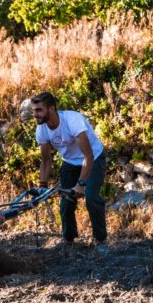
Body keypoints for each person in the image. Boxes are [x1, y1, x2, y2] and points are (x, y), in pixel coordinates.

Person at [30, 91, 109, 254]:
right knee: (66, 202)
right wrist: (42, 185)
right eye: (34, 110)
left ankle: (100, 240)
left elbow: (88, 155)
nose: (35, 115)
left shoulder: (72, 121)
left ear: (51, 109)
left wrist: (81, 184)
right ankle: (69, 240)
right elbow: (46, 160)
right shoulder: (42, 129)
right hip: (70, 163)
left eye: (39, 110)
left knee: (91, 197)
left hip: (93, 159)